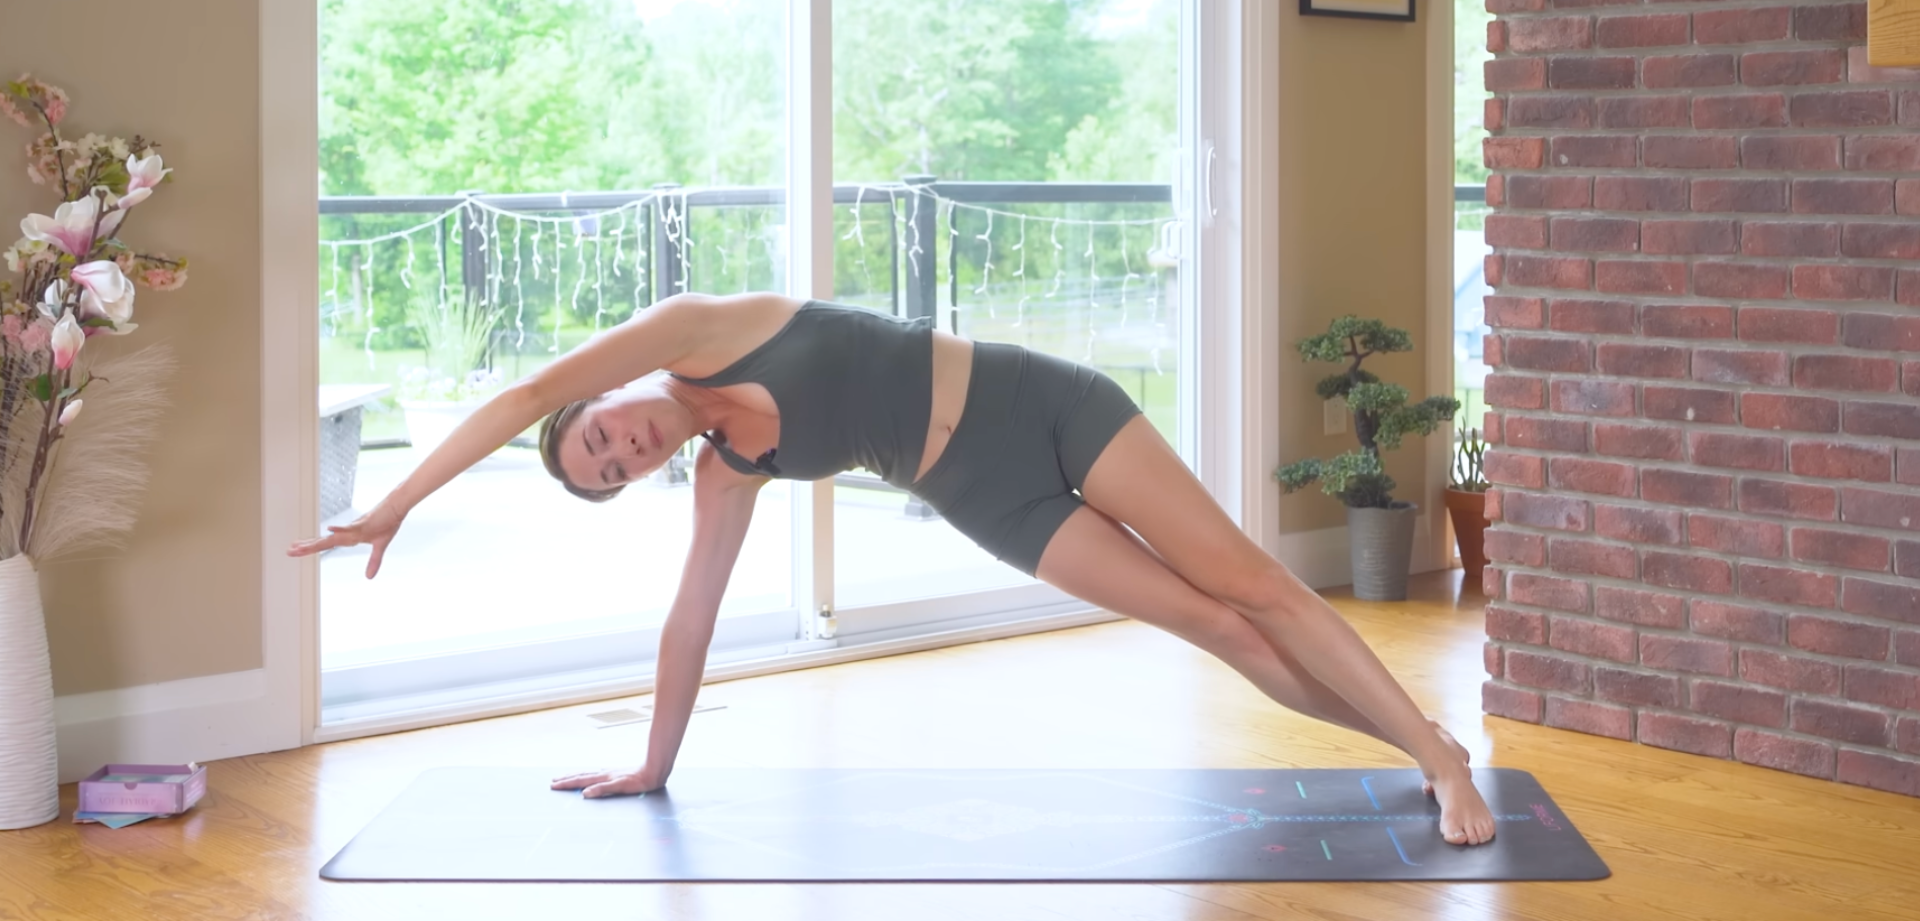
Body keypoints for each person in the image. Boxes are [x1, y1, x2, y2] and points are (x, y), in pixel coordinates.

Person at [288, 292, 1497, 846]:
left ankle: (1441, 762)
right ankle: (1414, 746)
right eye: (608, 474)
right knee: (1222, 635)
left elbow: (522, 395)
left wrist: (394, 500)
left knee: (1256, 586)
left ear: (605, 400)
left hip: (1050, 409)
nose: (620, 450)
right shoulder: (724, 471)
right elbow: (689, 621)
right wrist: (652, 765)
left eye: (600, 436)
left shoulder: (697, 326)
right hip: (988, 499)